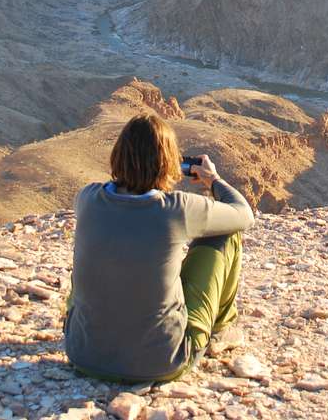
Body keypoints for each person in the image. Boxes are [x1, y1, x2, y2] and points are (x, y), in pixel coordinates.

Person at [64, 113, 254, 382]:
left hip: (82, 355)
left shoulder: (87, 199)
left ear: (117, 156)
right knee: (224, 235)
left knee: (100, 251)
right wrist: (213, 180)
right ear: (169, 164)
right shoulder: (177, 209)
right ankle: (222, 328)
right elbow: (243, 215)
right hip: (161, 362)